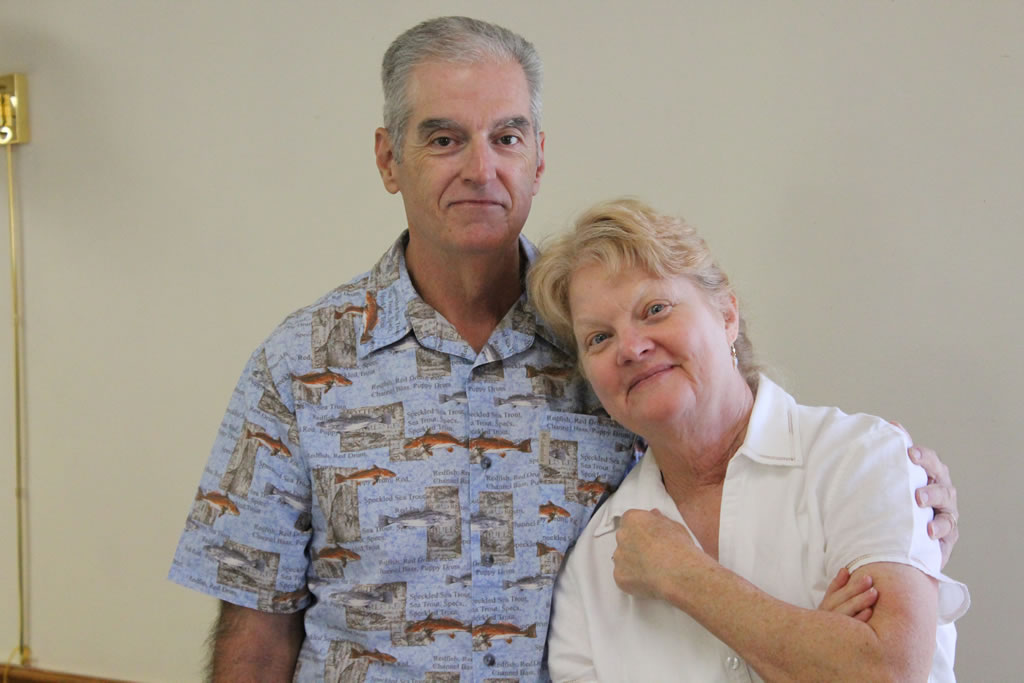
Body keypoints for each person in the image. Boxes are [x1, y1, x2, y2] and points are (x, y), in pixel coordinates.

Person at [169, 17, 961, 683]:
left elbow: (726, 443)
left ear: (538, 157)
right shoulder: (299, 364)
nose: (481, 168)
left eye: (506, 136)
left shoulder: (602, 348)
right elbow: (255, 627)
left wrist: (898, 499)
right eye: (443, 138)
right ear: (388, 159)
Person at [528, 198, 970, 682]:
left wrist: (685, 576)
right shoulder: (593, 564)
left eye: (655, 310)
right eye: (598, 338)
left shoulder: (860, 458)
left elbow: (887, 672)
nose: (631, 348)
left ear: (726, 314)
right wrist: (812, 653)